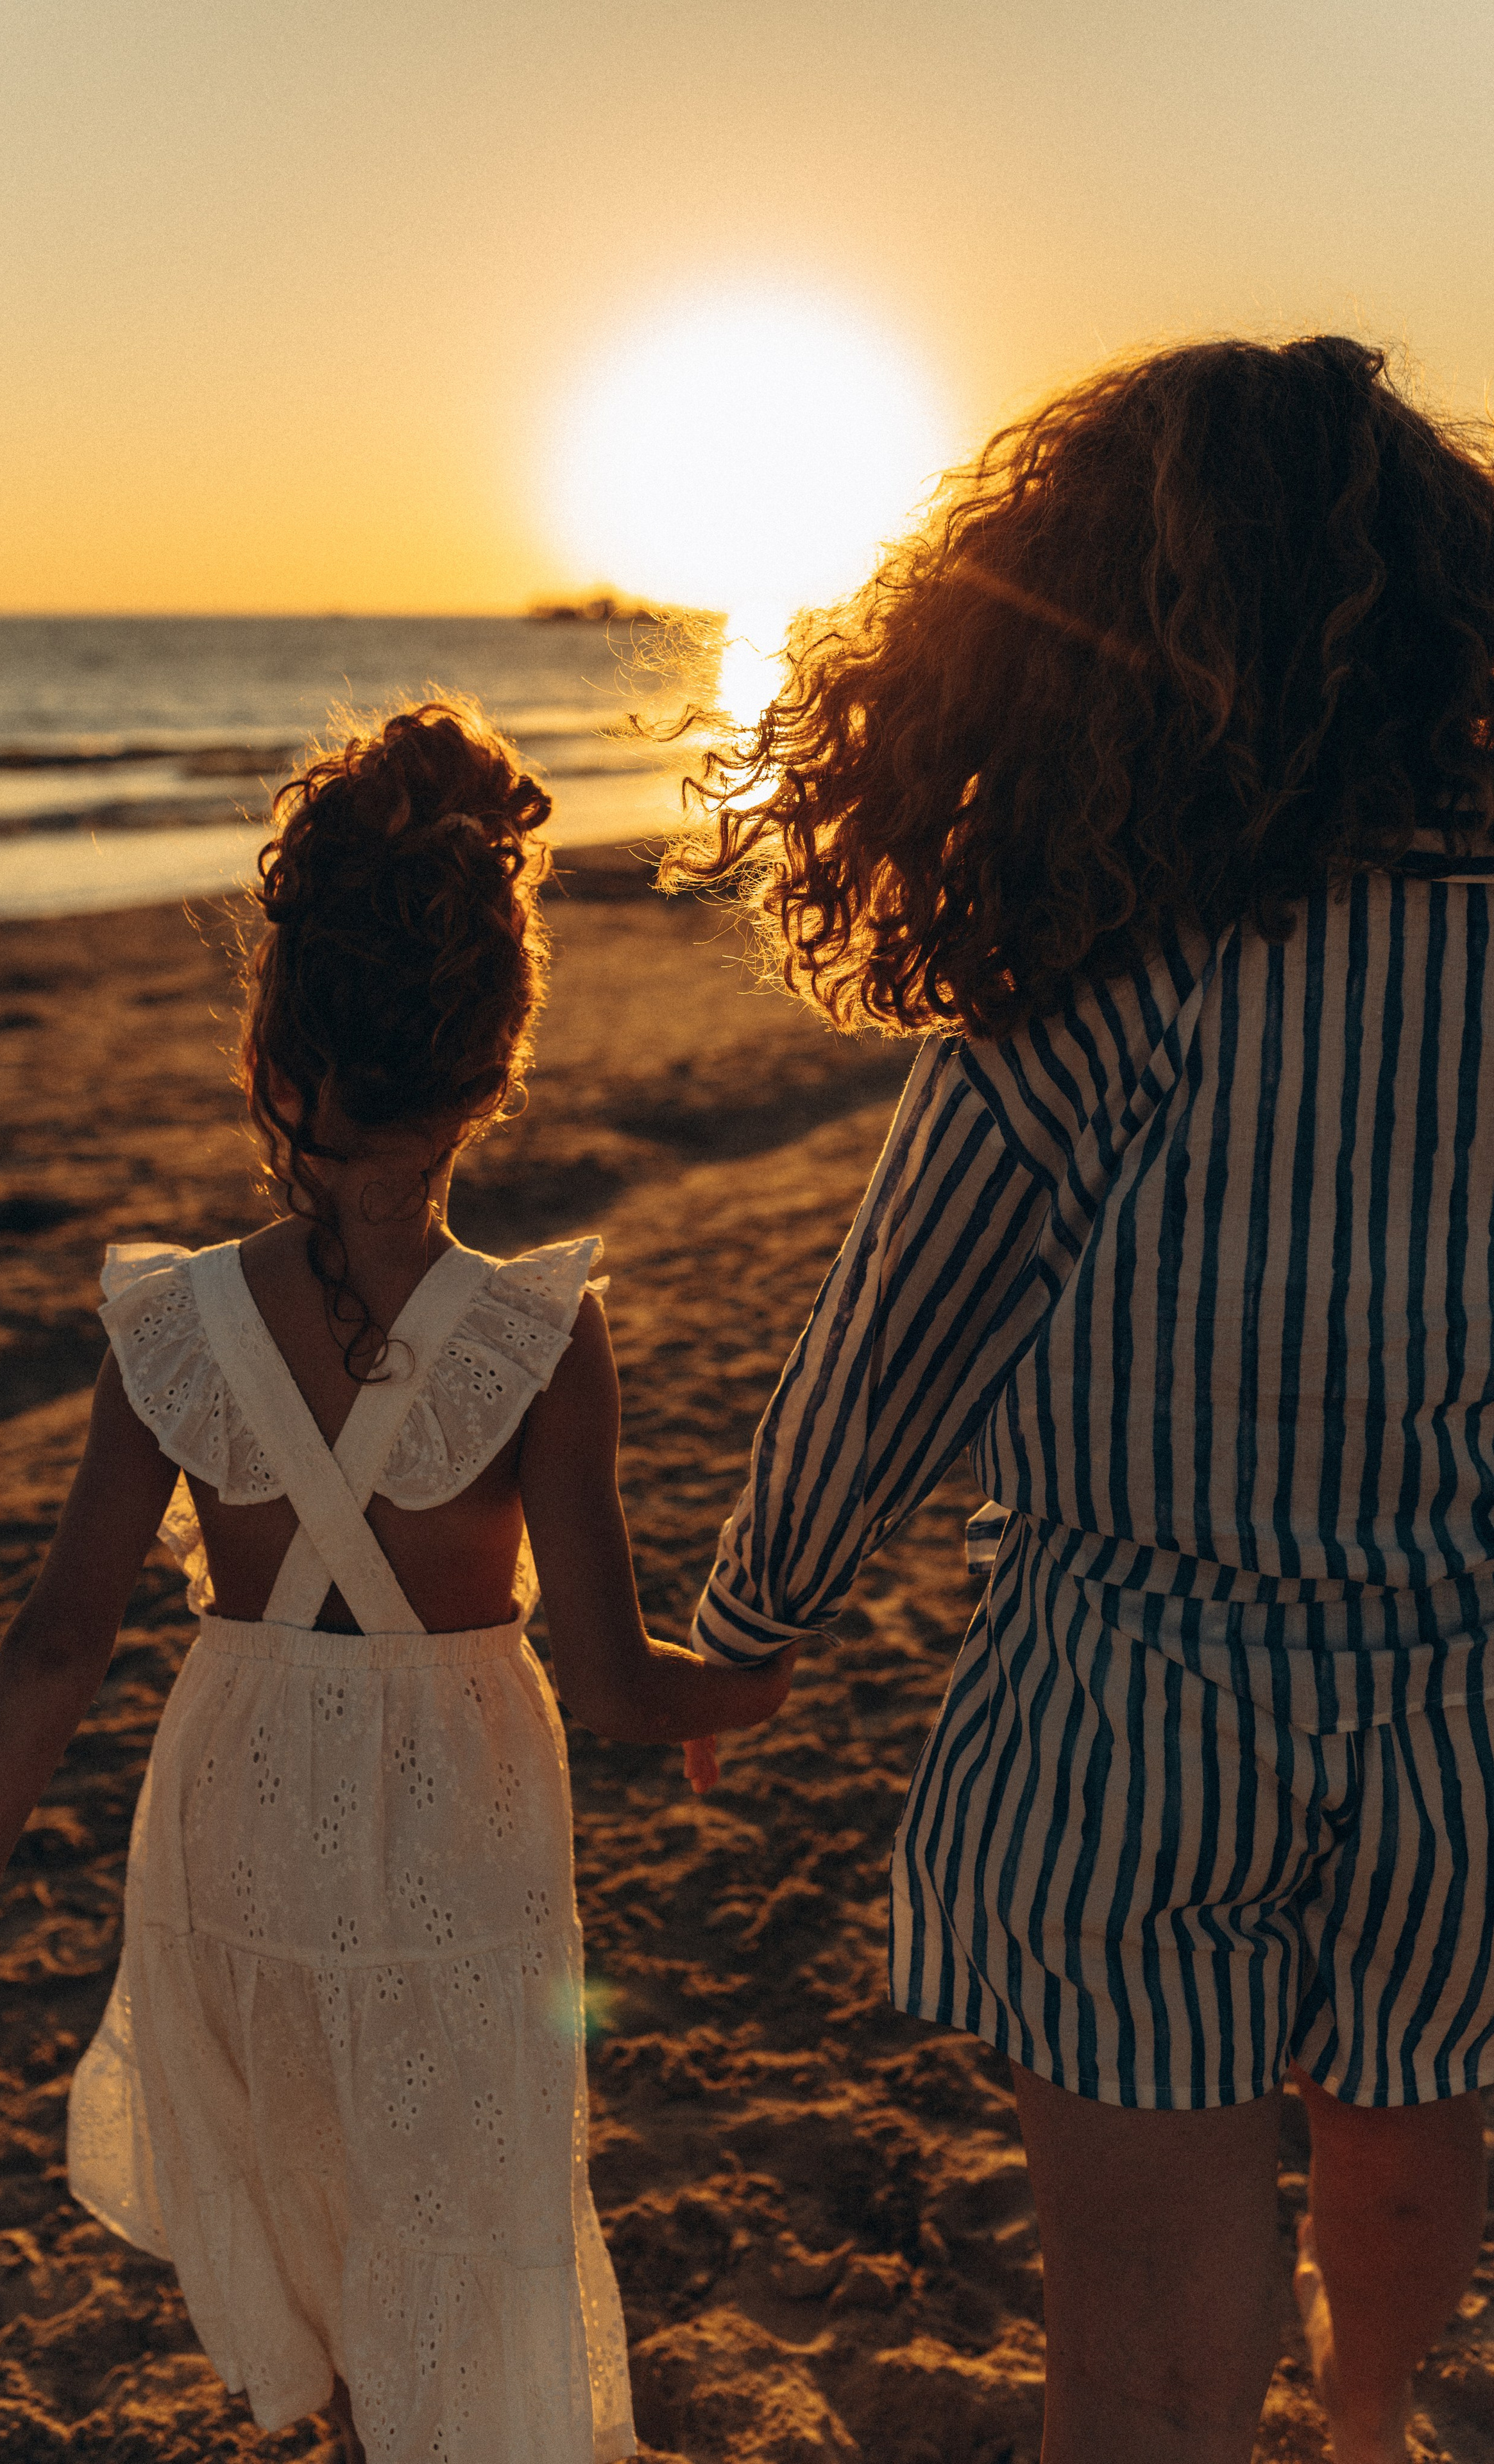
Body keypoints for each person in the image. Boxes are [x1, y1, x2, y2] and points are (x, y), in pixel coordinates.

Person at [670, 336, 1494, 2464]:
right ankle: (1375, 2410)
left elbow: (898, 1338)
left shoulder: (1111, 968)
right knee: (1412, 2126)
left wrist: (755, 1621)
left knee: (1139, 2334)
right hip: (1464, 1701)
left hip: (1129, 1695)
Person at [0, 699, 794, 2464]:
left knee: (327, 2211)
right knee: (459, 2223)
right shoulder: (537, 1339)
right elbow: (614, 1685)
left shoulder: (175, 1327)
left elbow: (56, 1643)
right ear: (495, 1063)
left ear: (273, 1050)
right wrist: (742, 1687)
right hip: (457, 1840)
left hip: (236, 1832)